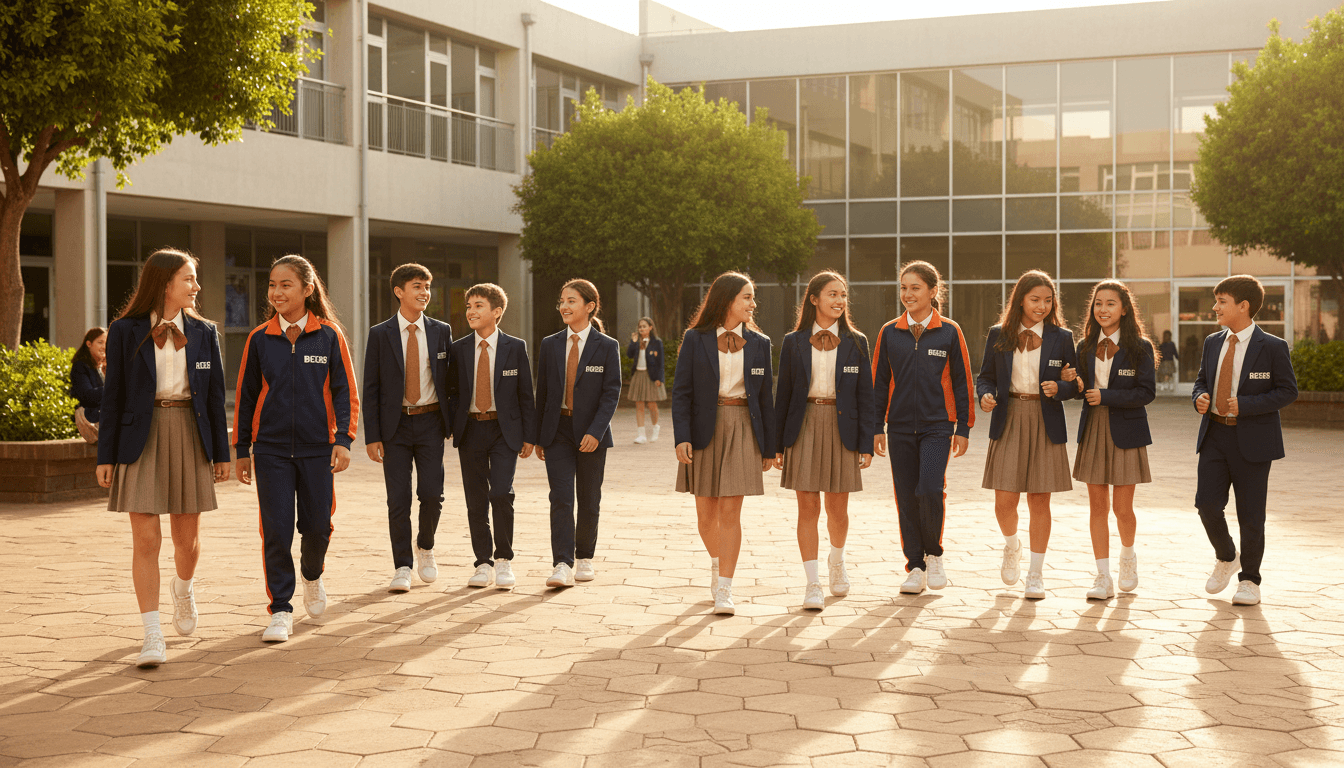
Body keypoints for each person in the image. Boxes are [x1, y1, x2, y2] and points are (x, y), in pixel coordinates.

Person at [95, 249, 230, 668]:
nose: (197, 286)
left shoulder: (206, 332)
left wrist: (221, 453)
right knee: (146, 539)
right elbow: (112, 395)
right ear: (164, 283)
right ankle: (152, 634)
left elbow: (214, 394)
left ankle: (183, 589)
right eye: (189, 279)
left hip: (190, 433)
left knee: (185, 543)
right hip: (141, 436)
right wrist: (107, 455)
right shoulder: (123, 330)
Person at [234, 255, 359, 643]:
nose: (276, 292)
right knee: (276, 529)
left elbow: (345, 392)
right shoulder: (259, 338)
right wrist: (241, 448)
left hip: (318, 448)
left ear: (307, 289)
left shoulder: (329, 335)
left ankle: (312, 574)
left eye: (285, 284)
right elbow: (245, 395)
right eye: (272, 285)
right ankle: (281, 609)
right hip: (270, 449)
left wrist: (344, 440)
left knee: (319, 524)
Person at [673, 272, 776, 616]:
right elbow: (682, 392)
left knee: (731, 512)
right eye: (746, 297)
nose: (752, 303)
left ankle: (726, 588)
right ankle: (718, 563)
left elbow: (766, 399)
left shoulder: (761, 344)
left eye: (753, 296)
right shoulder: (694, 338)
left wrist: (769, 447)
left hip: (745, 428)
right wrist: (682, 436)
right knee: (706, 516)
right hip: (704, 429)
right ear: (727, 299)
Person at [1192, 275, 1297, 606]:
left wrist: (1248, 405)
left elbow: (1287, 391)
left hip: (1253, 440)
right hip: (1215, 435)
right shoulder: (1212, 342)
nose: (1215, 307)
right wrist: (1200, 397)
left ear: (1243, 305)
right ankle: (1226, 556)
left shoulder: (1273, 347)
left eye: (1221, 301)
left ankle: (1250, 580)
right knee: (1207, 505)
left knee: (1251, 514)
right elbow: (1200, 381)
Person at [872, 261, 975, 596]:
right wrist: (876, 426)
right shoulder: (890, 332)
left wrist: (964, 427)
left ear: (933, 291)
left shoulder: (949, 331)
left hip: (937, 426)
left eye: (915, 288)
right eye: (903, 288)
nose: (907, 294)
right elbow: (879, 382)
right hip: (899, 426)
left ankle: (934, 554)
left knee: (929, 488)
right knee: (905, 496)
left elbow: (963, 381)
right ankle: (915, 566)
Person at [774, 271, 875, 610]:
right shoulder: (793, 341)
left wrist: (865, 443)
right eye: (832, 294)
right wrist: (777, 444)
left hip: (842, 425)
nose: (839, 301)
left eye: (843, 295)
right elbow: (783, 394)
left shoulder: (857, 341)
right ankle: (812, 583)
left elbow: (865, 395)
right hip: (802, 426)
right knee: (807, 507)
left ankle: (837, 560)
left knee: (837, 508)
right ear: (814, 299)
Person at [977, 270, 1079, 600]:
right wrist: (985, 395)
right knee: (1004, 500)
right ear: (1021, 299)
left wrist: (1060, 386)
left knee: (1039, 500)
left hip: (1045, 419)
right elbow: (986, 377)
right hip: (1008, 418)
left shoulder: (1062, 336)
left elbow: (1075, 384)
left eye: (1048, 301)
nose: (1042, 306)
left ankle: (1035, 574)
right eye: (1035, 300)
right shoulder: (998, 334)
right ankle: (1012, 546)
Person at [363, 263, 454, 594]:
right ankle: (402, 565)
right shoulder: (379, 334)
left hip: (431, 422)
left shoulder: (442, 330)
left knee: (432, 493)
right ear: (399, 291)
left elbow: (452, 381)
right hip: (395, 427)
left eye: (428, 286)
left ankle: (425, 546)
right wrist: (372, 435)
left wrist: (454, 422)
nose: (425, 292)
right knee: (397, 499)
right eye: (417, 286)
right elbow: (370, 387)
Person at [448, 283, 536, 589]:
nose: (471, 311)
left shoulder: (516, 347)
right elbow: (451, 392)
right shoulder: (458, 349)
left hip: (504, 431)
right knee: (475, 500)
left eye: (479, 306)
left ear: (496, 312)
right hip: (470, 430)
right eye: (469, 305)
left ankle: (503, 561)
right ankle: (482, 563)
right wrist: (451, 424)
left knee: (500, 492)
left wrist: (529, 434)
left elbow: (526, 393)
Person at [1072, 280, 1156, 600]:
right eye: (1098, 304)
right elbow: (1079, 389)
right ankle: (1102, 576)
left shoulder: (1140, 347)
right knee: (1097, 506)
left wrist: (1105, 395)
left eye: (1110, 304)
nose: (1103, 310)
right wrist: (1070, 384)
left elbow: (1146, 392)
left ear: (1124, 309)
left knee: (1122, 508)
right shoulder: (1084, 346)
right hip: (1093, 428)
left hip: (1127, 431)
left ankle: (1128, 557)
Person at [536, 279, 622, 587]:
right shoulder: (550, 344)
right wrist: (538, 436)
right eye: (562, 300)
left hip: (591, 435)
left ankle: (584, 557)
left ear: (589, 306)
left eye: (571, 301)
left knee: (589, 498)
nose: (564, 306)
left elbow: (612, 393)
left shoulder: (607, 346)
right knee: (560, 497)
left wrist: (596, 432)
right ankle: (561, 563)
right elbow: (543, 392)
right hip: (557, 430)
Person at [627, 317, 666, 444]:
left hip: (651, 376)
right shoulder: (637, 341)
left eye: (644, 326)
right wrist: (633, 342)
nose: (641, 329)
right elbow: (629, 355)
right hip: (638, 374)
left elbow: (661, 363)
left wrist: (659, 378)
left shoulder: (657, 342)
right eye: (640, 327)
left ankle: (655, 428)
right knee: (639, 404)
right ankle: (641, 435)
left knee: (652, 404)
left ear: (650, 327)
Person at [71, 327, 107, 444]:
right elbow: (87, 396)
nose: (104, 347)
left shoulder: (102, 366)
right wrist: (112, 388)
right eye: (100, 342)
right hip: (92, 418)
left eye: (106, 343)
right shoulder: (80, 366)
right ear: (89, 344)